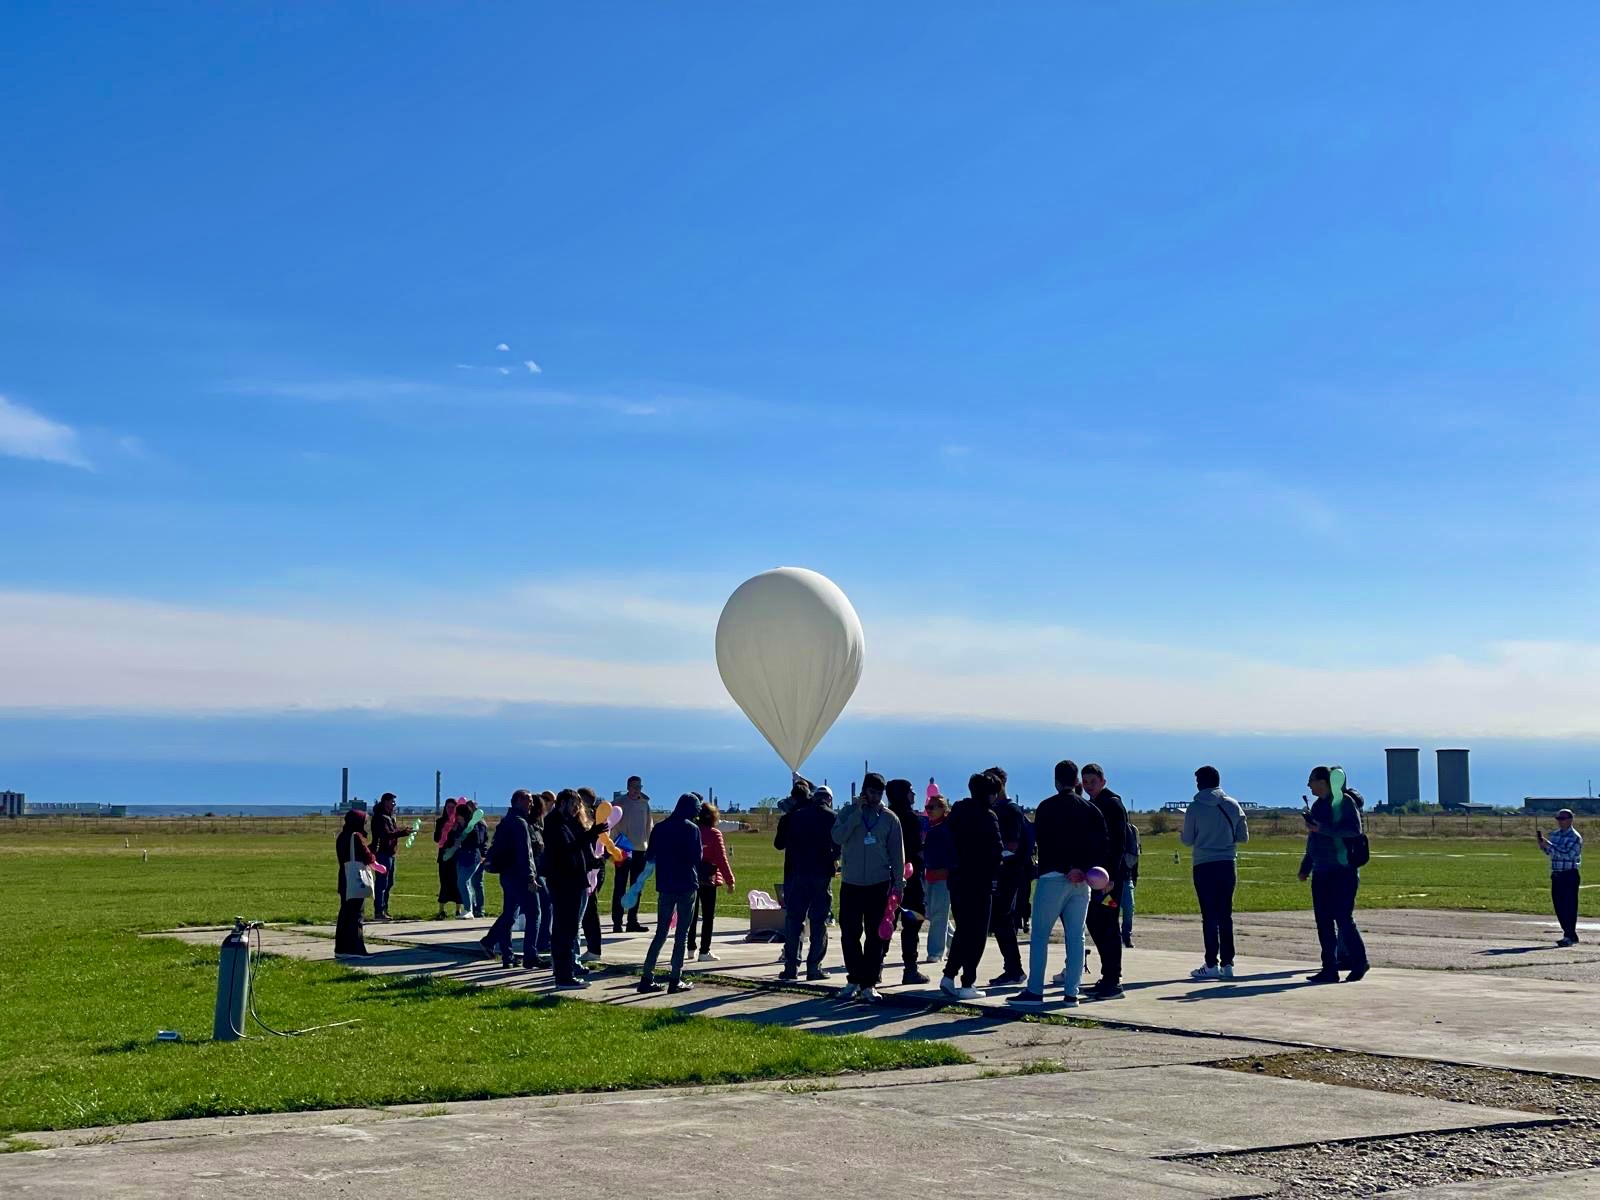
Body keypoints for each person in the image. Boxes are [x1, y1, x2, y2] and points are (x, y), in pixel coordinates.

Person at [1010, 761, 1107, 1007]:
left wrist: (1066, 867)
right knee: (1076, 936)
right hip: (1082, 880)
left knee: (1041, 935)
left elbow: (1044, 840)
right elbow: (1101, 843)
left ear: (1056, 781)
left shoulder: (1046, 807)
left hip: (1052, 876)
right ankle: (1071, 992)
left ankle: (1035, 990)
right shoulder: (1090, 809)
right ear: (1077, 781)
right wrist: (1081, 868)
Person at [831, 773, 905, 1002]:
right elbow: (836, 837)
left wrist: (900, 882)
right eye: (871, 792)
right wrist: (856, 815)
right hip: (852, 883)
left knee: (876, 935)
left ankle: (869, 984)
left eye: (878, 793)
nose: (874, 797)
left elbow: (897, 853)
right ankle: (854, 979)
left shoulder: (889, 819)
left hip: (879, 883)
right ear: (863, 791)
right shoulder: (846, 813)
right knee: (850, 932)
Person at [1300, 765, 1369, 983]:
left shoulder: (1344, 802)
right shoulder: (1318, 805)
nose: (1308, 784)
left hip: (1342, 870)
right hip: (1321, 870)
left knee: (1343, 919)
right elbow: (1314, 840)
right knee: (1323, 921)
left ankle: (1359, 962)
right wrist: (1305, 865)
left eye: (1311, 780)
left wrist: (1322, 828)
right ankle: (1329, 968)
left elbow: (1354, 830)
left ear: (1323, 782)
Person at [1181, 765, 1250, 981]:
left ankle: (1211, 962)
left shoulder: (1194, 807)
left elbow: (1188, 840)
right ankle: (1228, 963)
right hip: (1227, 863)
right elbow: (1243, 837)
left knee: (1208, 915)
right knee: (1225, 915)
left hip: (1203, 864)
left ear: (1201, 782)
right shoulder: (1232, 804)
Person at [940, 772, 1004, 1000]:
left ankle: (949, 976)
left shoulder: (957, 812)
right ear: (991, 794)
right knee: (977, 933)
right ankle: (968, 982)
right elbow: (997, 850)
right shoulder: (988, 816)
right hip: (979, 880)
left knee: (963, 929)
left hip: (956, 879)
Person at [637, 793, 705, 994]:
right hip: (686, 885)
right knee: (681, 934)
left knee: (660, 933)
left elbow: (650, 855)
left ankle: (646, 977)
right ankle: (675, 979)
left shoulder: (660, 827)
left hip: (665, 884)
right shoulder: (692, 829)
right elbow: (696, 858)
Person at [774, 780, 839, 981]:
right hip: (821, 874)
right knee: (819, 921)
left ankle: (791, 967)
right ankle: (813, 968)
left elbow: (785, 844)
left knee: (794, 920)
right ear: (829, 799)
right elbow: (838, 847)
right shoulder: (833, 817)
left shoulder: (797, 816)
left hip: (798, 873)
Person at [546, 790, 606, 988]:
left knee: (568, 930)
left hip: (574, 880)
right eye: (573, 804)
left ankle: (565, 971)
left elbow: (576, 851)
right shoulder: (555, 822)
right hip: (565, 882)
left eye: (577, 805)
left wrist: (592, 862)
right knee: (566, 931)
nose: (576, 808)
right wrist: (590, 835)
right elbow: (565, 850)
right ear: (562, 802)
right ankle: (564, 976)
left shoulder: (569, 822)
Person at [1081, 764, 1130, 998]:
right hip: (1096, 878)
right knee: (1095, 923)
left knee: (1108, 926)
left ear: (1103, 780)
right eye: (1085, 781)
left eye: (1092, 780)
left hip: (1109, 880)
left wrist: (1110, 876)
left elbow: (1118, 844)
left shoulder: (1111, 804)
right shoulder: (1092, 804)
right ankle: (1107, 975)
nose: (1088, 785)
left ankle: (1113, 979)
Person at [481, 790, 539, 968]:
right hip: (520, 874)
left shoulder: (506, 821)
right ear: (518, 801)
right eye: (528, 800)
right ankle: (530, 955)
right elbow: (524, 852)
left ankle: (507, 955)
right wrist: (530, 876)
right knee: (534, 913)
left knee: (508, 915)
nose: (531, 804)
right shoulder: (520, 823)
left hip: (507, 874)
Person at [886, 778, 930, 985]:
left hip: (886, 877)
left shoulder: (884, 817)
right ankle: (910, 968)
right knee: (912, 922)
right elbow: (916, 848)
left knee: (886, 922)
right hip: (910, 877)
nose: (914, 795)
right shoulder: (911, 820)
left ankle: (876, 967)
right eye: (910, 792)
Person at [694, 801, 736, 961]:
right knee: (708, 916)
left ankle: (690, 948)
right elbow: (721, 859)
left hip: (692, 876)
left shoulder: (693, 831)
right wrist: (730, 880)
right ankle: (704, 951)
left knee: (691, 915)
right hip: (708, 878)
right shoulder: (714, 834)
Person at [612, 776, 654, 933]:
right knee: (620, 886)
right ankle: (617, 921)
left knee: (636, 886)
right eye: (634, 786)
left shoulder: (644, 803)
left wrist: (650, 845)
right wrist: (614, 845)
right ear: (628, 787)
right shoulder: (620, 802)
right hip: (623, 849)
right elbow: (613, 825)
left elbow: (649, 825)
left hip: (641, 849)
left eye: (639, 786)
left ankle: (632, 920)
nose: (637, 789)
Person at [1539, 809, 1583, 946]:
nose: (1560, 821)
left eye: (1563, 818)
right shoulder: (1555, 835)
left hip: (1569, 874)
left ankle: (1569, 935)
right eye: (1558, 818)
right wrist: (1543, 846)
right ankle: (1569, 934)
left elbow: (1568, 855)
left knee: (1569, 906)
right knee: (1559, 906)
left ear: (1570, 819)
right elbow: (1551, 853)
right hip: (1556, 874)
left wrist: (1550, 846)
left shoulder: (1575, 837)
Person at [335, 807, 375, 957]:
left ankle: (341, 947)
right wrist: (374, 845)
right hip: (355, 879)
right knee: (356, 915)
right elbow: (368, 857)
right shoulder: (356, 836)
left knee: (345, 914)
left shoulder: (342, 836)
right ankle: (355, 948)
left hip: (344, 878)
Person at [922, 794, 955, 963]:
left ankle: (935, 952)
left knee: (938, 915)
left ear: (943, 809)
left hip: (943, 877)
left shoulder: (946, 829)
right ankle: (955, 945)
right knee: (937, 914)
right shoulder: (932, 828)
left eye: (932, 807)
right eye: (928, 807)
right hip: (931, 876)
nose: (929, 811)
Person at [577, 787, 608, 962]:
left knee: (589, 908)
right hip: (595, 864)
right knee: (588, 907)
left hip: (592, 867)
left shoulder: (589, 819)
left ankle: (594, 948)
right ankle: (592, 946)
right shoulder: (597, 817)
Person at [447, 800, 489, 920]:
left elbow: (478, 841)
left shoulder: (474, 825)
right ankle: (469, 908)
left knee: (465, 882)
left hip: (472, 857)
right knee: (463, 882)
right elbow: (453, 839)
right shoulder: (460, 826)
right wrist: (455, 831)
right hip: (462, 856)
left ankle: (471, 909)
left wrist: (464, 835)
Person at [370, 793, 403, 921]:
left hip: (391, 853)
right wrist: (402, 833)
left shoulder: (390, 817)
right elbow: (386, 834)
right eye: (392, 802)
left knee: (389, 883)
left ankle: (385, 909)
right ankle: (378, 911)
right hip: (382, 853)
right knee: (382, 883)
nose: (394, 804)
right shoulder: (380, 817)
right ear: (385, 802)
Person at [433, 798, 461, 919]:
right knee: (444, 882)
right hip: (444, 856)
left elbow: (462, 836)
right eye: (448, 807)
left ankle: (458, 910)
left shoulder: (459, 821)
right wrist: (445, 831)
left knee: (457, 882)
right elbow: (436, 838)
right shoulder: (440, 821)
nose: (450, 810)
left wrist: (455, 830)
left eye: (452, 807)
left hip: (457, 856)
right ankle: (441, 910)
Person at [1120, 819, 1140, 949]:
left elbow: (1136, 855)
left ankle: (1126, 936)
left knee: (1129, 908)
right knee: (1111, 907)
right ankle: (1114, 936)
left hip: (1127, 878)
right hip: (1110, 879)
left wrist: (1135, 875)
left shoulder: (1132, 831)